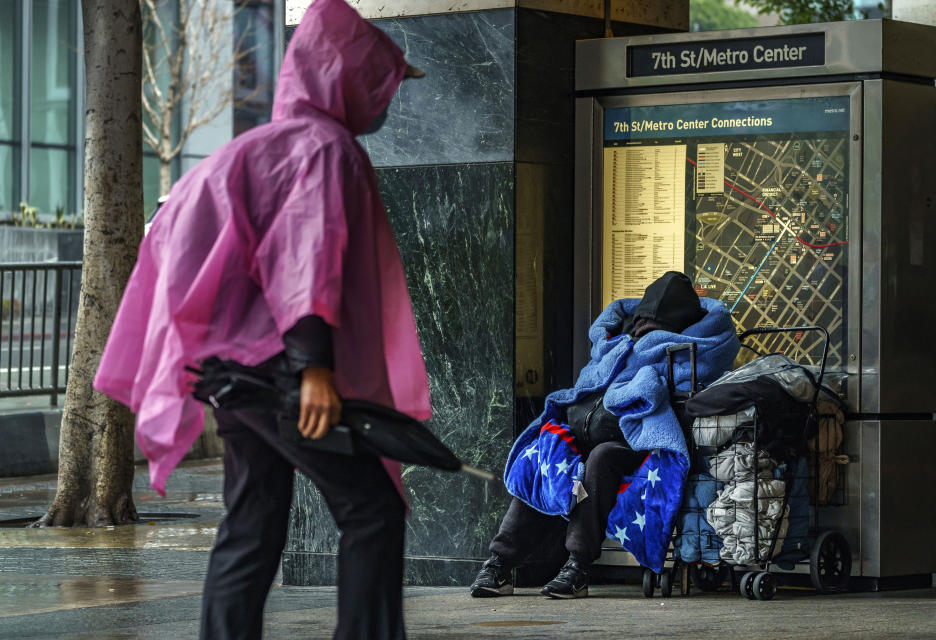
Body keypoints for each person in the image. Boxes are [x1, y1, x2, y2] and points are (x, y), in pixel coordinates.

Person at [93, 1, 431, 638]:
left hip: (229, 374)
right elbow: (305, 260)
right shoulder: (325, 148)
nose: (385, 102)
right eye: (380, 84)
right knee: (372, 508)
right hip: (281, 372)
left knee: (252, 518)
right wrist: (313, 369)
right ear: (348, 81)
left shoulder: (250, 149)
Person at [469, 272, 739, 599]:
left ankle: (578, 566)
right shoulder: (616, 339)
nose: (644, 330)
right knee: (545, 451)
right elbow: (590, 381)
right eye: (642, 323)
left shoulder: (691, 348)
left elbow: (679, 394)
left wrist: (644, 388)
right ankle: (499, 562)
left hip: (635, 439)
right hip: (588, 427)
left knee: (601, 458)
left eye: (653, 325)